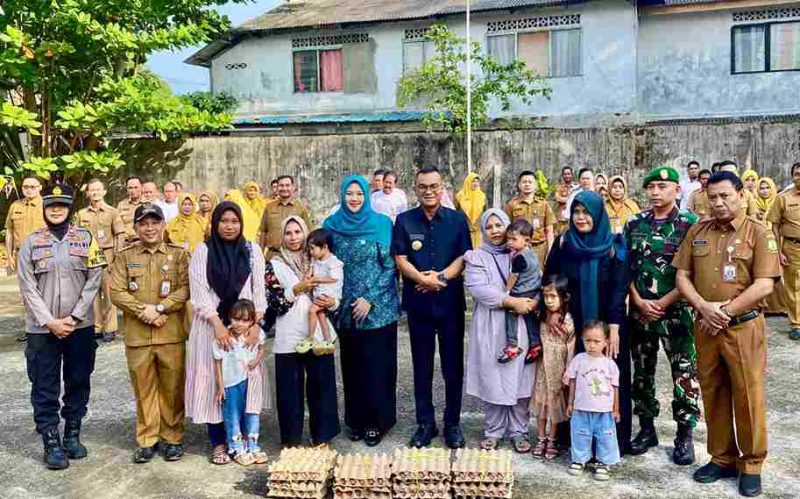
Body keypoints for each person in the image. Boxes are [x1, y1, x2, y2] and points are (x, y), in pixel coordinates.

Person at [675, 171, 779, 498]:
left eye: (725, 196)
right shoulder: (698, 230)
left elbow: (765, 283)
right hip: (706, 327)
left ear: (740, 195)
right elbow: (682, 276)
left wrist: (725, 310)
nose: (718, 203)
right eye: (713, 197)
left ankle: (751, 464)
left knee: (748, 396)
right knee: (713, 392)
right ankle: (721, 457)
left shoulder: (758, 233)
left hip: (743, 327)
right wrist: (704, 307)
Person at [17, 184, 105, 470]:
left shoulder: (86, 238)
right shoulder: (31, 242)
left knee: (79, 379)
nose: (56, 210)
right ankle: (51, 441)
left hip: (79, 327)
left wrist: (75, 317)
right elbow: (27, 287)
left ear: (69, 209)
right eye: (51, 205)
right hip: (42, 329)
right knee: (44, 385)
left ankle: (72, 434)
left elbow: (95, 278)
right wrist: (50, 321)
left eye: (62, 206)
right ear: (44, 209)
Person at [624, 166, 700, 466]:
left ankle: (684, 434)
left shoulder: (690, 224)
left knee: (684, 372)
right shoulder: (635, 223)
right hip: (641, 311)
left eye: (662, 187)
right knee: (642, 373)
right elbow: (625, 267)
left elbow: (694, 271)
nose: (655, 192)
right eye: (651, 187)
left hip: (677, 313)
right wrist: (638, 299)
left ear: (676, 191)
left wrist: (666, 300)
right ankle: (646, 429)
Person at [545, 190, 631, 453]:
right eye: (576, 212)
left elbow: (619, 287)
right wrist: (554, 313)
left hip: (606, 327)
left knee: (608, 379)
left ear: (598, 214)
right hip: (575, 326)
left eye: (586, 212)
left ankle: (611, 438)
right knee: (576, 379)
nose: (581, 218)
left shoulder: (614, 245)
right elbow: (551, 279)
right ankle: (576, 439)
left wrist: (614, 326)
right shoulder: (563, 243)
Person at [392, 165, 472, 449]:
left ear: (442, 188)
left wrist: (438, 279)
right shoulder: (404, 220)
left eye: (434, 186)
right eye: (423, 186)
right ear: (416, 189)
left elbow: (464, 257)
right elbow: (400, 257)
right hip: (418, 304)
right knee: (421, 366)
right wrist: (419, 278)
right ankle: (425, 423)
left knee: (453, 367)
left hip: (449, 303)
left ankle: (453, 423)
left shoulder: (457, 220)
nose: (429, 191)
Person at [185, 202, 268, 465]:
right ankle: (218, 442)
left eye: (235, 221)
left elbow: (259, 292)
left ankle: (244, 438)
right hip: (211, 328)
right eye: (224, 221)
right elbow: (198, 293)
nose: (230, 226)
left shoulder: (252, 250)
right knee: (214, 383)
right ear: (215, 223)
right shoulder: (203, 251)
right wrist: (219, 326)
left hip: (246, 328)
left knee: (244, 381)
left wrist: (256, 323)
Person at [109, 203, 190, 463]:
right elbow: (116, 291)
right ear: (135, 228)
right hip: (138, 336)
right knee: (143, 389)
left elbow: (186, 288)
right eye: (143, 223)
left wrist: (161, 307)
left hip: (171, 333)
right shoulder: (124, 256)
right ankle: (148, 439)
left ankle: (172, 438)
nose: (149, 228)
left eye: (154, 222)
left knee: (172, 388)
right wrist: (143, 311)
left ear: (163, 224)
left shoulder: (179, 255)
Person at [323, 175, 400, 447]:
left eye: (358, 193)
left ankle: (376, 422)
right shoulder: (331, 226)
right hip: (346, 310)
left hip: (379, 309)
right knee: (353, 368)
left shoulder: (381, 224)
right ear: (342, 196)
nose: (354, 198)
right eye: (349, 194)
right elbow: (325, 261)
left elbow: (391, 266)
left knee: (378, 368)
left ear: (367, 195)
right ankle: (355, 421)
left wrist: (369, 299)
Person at [463, 209, 537, 453]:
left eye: (499, 225)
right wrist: (511, 301)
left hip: (520, 322)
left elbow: (537, 280)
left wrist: (534, 301)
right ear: (483, 230)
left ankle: (519, 430)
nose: (495, 230)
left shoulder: (520, 254)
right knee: (493, 375)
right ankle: (493, 430)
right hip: (491, 323)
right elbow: (478, 289)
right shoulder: (476, 257)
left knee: (521, 377)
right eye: (490, 226)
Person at [271, 216, 341, 446]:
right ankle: (291, 441)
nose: (293, 238)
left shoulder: (317, 258)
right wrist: (297, 288)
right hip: (289, 333)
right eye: (288, 233)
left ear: (305, 234)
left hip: (318, 333)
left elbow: (335, 288)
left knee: (322, 385)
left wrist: (333, 302)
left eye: (298, 232)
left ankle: (322, 437)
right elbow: (274, 303)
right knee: (290, 391)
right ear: (282, 236)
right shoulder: (275, 263)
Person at [213, 299, 268, 466]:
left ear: (252, 321)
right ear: (230, 318)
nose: (240, 324)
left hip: (252, 381)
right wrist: (220, 387)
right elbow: (217, 362)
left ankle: (252, 446)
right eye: (236, 319)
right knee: (233, 416)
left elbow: (262, 349)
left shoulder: (255, 335)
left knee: (252, 413)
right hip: (231, 384)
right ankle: (236, 448)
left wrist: (257, 360)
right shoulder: (223, 338)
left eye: (245, 320)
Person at [565, 321, 621, 481]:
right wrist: (570, 403)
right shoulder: (578, 360)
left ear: (606, 342)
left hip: (604, 411)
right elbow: (573, 382)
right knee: (580, 434)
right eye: (587, 340)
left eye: (597, 341)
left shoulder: (610, 364)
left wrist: (616, 409)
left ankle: (604, 463)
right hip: (581, 408)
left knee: (606, 437)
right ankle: (579, 460)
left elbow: (615, 388)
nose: (592, 345)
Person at [530, 275, 575, 460]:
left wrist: (568, 370)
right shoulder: (541, 315)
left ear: (564, 297)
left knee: (555, 406)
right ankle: (540, 438)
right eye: (546, 296)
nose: (548, 301)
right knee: (541, 404)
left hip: (558, 367)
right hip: (542, 367)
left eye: (553, 296)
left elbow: (570, 346)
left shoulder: (568, 320)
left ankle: (552, 439)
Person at [76, 179, 126, 342]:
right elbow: (76, 237)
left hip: (107, 255)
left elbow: (119, 235)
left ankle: (110, 328)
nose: (95, 193)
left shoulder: (112, 212)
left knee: (108, 291)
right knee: (92, 293)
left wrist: (117, 258)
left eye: (98, 189)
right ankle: (97, 326)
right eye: (92, 190)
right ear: (88, 193)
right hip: (88, 257)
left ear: (104, 192)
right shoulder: (81, 214)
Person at [499, 219, 542, 364]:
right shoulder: (532, 254)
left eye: (513, 239)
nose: (509, 242)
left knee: (510, 314)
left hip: (520, 292)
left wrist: (506, 291)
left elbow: (514, 276)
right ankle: (535, 344)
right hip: (533, 291)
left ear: (527, 240)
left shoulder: (519, 257)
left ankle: (512, 345)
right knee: (530, 318)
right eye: (508, 238)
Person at [296, 228, 343, 356]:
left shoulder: (333, 262)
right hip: (319, 294)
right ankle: (328, 341)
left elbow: (334, 278)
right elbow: (309, 274)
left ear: (325, 247)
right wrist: (307, 277)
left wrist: (317, 278)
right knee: (321, 316)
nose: (310, 252)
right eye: (309, 249)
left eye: (312, 248)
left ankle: (310, 338)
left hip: (328, 295)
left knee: (312, 311)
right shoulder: (316, 261)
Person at [767, 162, 800, 340]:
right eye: (797, 174)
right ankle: (796, 324)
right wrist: (779, 251)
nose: (799, 177)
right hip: (792, 248)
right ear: (792, 176)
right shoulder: (783, 198)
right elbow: (774, 226)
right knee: (793, 287)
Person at [505, 170, 556, 269]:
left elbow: (550, 231)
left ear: (535, 185)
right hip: (519, 249)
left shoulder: (543, 204)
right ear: (519, 185)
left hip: (539, 249)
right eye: (524, 182)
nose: (527, 184)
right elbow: (507, 229)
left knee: (539, 279)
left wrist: (550, 252)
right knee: (519, 278)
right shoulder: (512, 205)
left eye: (530, 182)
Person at [258, 175, 314, 253]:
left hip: (295, 255)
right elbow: (263, 232)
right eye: (281, 186)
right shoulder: (269, 207)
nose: (284, 188)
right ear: (277, 188)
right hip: (273, 255)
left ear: (293, 187)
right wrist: (260, 254)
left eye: (287, 185)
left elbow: (309, 232)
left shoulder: (301, 208)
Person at [755, 177, 786, 315]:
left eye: (767, 187)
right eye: (761, 188)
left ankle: (781, 307)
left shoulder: (778, 202)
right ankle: (765, 306)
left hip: (777, 241)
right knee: (763, 272)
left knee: (779, 274)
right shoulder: (753, 204)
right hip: (760, 242)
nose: (764, 191)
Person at [5, 175, 45, 276]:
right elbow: (9, 231)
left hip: (43, 254)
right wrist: (9, 256)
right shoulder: (15, 206)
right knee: (23, 289)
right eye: (25, 187)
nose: (28, 190)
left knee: (44, 288)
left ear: (40, 187)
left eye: (32, 187)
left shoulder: (47, 206)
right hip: (20, 254)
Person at [455, 172, 487, 249]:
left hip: (478, 233)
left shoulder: (482, 197)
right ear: (468, 182)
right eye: (473, 181)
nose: (475, 183)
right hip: (464, 231)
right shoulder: (459, 196)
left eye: (477, 181)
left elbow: (485, 213)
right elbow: (455, 213)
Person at [117, 176, 144, 245]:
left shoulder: (149, 205)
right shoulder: (121, 205)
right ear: (126, 189)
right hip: (125, 243)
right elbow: (117, 227)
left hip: (143, 243)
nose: (133, 191)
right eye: (130, 188)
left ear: (141, 187)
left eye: (136, 187)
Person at [554, 167, 579, 234]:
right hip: (562, 218)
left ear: (572, 175)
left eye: (568, 174)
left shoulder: (577, 186)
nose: (567, 176)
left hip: (574, 215)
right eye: (565, 174)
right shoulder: (559, 187)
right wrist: (571, 197)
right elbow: (558, 198)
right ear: (562, 175)